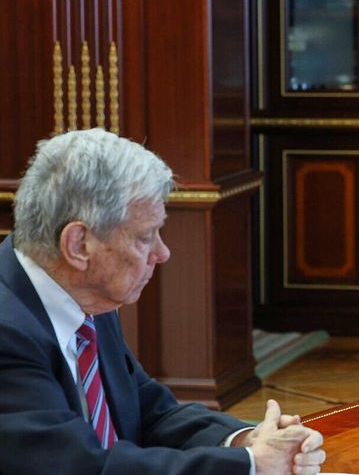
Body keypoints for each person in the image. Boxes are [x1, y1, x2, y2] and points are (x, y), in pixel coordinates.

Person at [0, 128, 326, 474]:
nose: (163, 252)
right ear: (79, 245)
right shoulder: (8, 332)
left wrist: (245, 439)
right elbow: (76, 467)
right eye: (145, 237)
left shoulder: (86, 298)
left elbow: (148, 411)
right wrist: (248, 466)